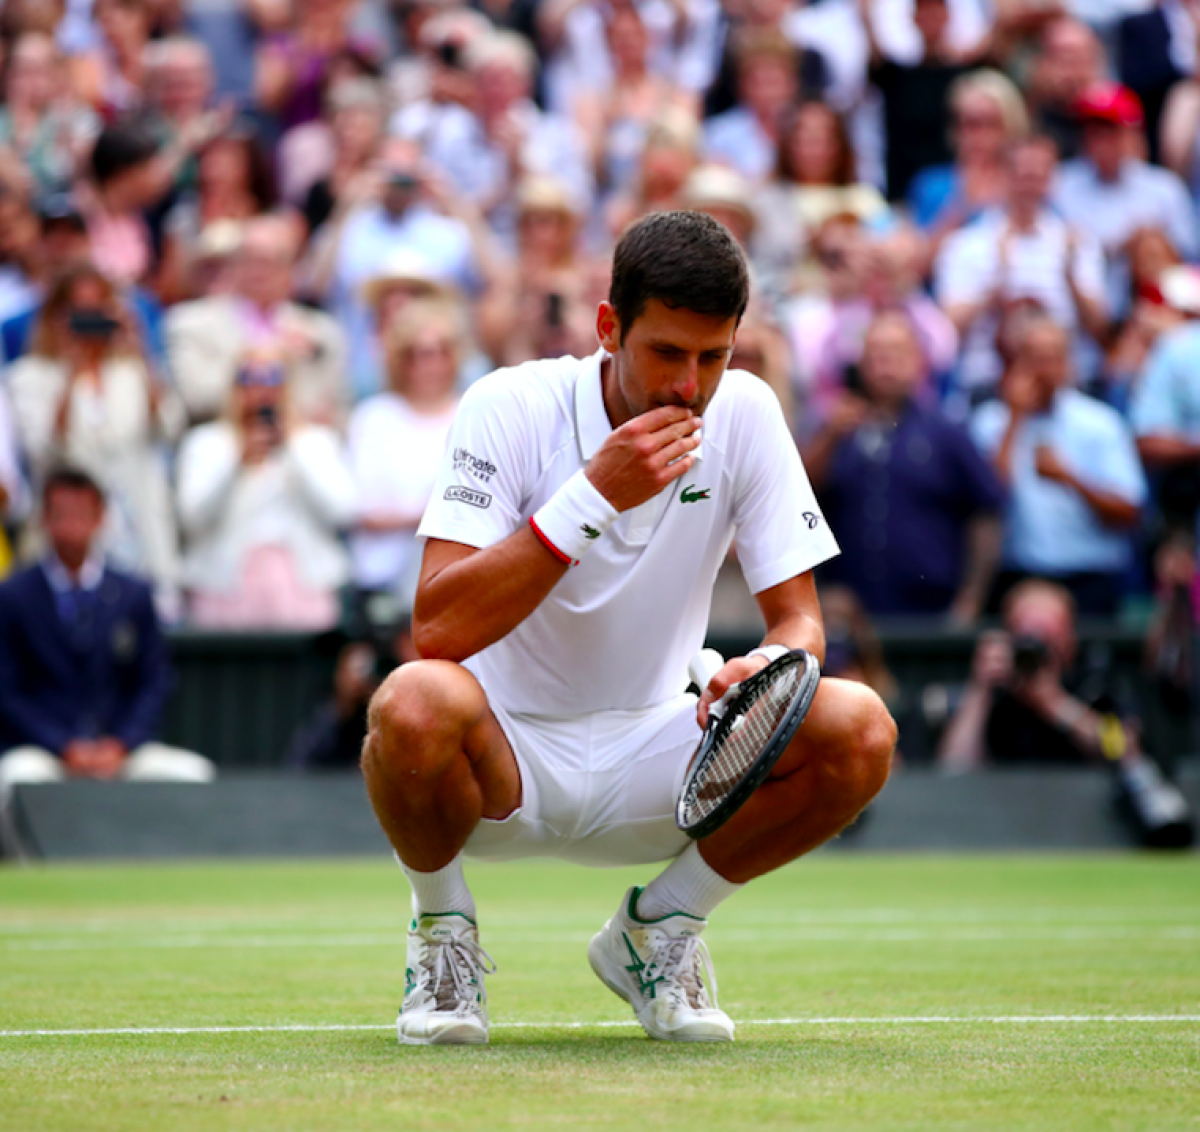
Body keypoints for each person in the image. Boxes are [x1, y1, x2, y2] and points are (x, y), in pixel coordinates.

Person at [360, 211, 896, 1046]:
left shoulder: (747, 413)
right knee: (412, 702)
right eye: (667, 353)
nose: (690, 384)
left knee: (858, 726)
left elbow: (799, 620)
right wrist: (593, 495)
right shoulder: (508, 404)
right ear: (609, 328)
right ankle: (442, 940)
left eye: (712, 357)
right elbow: (436, 627)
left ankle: (661, 930)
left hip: (666, 758)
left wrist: (766, 669)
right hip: (500, 769)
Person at [0, 468, 214, 856]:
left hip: (120, 751)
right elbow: (8, 692)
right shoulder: (14, 596)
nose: (71, 525)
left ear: (101, 518)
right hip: (45, 752)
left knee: (194, 776)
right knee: (11, 780)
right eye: (61, 513)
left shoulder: (133, 592)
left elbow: (154, 681)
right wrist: (63, 746)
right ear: (44, 520)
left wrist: (121, 744)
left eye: (82, 512)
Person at [936, 578, 1192, 845]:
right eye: (1027, 637)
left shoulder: (1097, 684)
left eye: (1048, 637)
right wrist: (979, 690)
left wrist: (1054, 703)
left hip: (1093, 831)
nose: (1038, 650)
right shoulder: (996, 691)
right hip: (997, 831)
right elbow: (954, 771)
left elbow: (1123, 748)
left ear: (1070, 639)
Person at [804, 310, 1003, 621]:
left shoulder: (946, 432)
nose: (886, 365)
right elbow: (797, 495)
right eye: (876, 355)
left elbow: (987, 511)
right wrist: (829, 436)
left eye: (896, 353)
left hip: (931, 613)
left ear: (919, 361)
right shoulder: (835, 428)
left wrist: (971, 599)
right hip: (850, 617)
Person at [7, 262, 183, 606]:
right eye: (78, 311)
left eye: (98, 310)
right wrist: (71, 374)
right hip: (67, 539)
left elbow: (169, 427)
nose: (88, 322)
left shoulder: (133, 371)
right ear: (56, 316)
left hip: (139, 530)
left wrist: (143, 353)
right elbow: (45, 451)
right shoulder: (29, 376)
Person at [970, 317, 1147, 617]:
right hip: (1016, 576)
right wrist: (1014, 420)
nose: (1043, 370)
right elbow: (987, 500)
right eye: (1034, 358)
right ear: (1014, 364)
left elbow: (1130, 511)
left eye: (1053, 358)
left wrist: (1070, 479)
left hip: (1088, 577)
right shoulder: (990, 422)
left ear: (1069, 364)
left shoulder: (1100, 423)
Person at [175, 360, 357, 630]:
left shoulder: (315, 442)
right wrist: (237, 462)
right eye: (248, 378)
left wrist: (291, 448)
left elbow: (344, 511)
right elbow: (192, 518)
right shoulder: (207, 444)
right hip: (224, 593)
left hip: (304, 591)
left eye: (273, 377)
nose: (261, 391)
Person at [166, 214, 346, 426]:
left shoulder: (321, 331)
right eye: (251, 260)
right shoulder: (189, 324)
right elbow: (195, 399)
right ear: (235, 265)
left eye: (272, 261)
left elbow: (337, 411)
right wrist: (266, 358)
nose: (260, 272)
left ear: (291, 269)